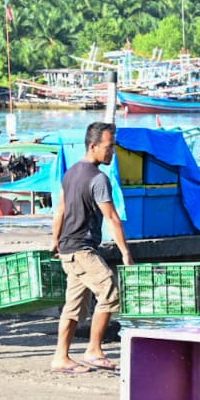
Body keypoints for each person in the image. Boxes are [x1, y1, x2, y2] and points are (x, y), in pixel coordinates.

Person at [50, 121, 133, 373]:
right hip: (81, 249)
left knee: (73, 306)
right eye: (109, 147)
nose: (112, 152)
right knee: (109, 292)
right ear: (93, 146)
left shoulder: (72, 172)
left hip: (68, 248)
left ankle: (60, 358)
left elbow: (60, 210)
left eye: (114, 147)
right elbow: (112, 217)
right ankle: (94, 351)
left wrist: (55, 241)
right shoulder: (98, 179)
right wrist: (126, 253)